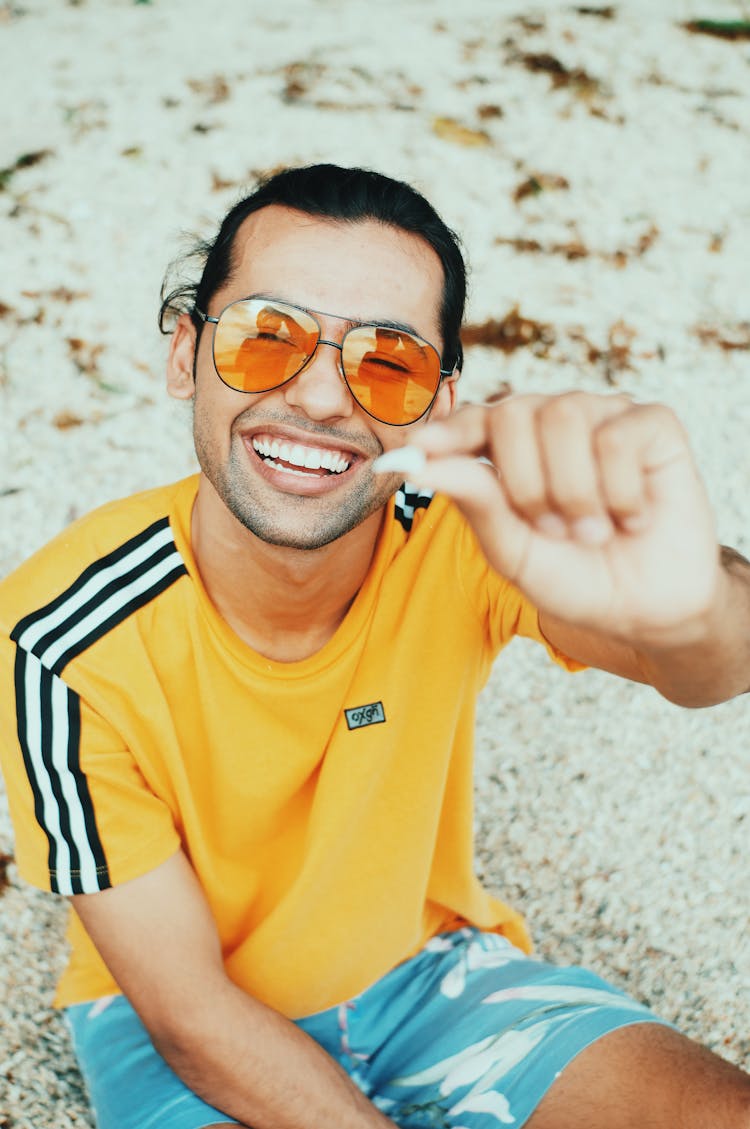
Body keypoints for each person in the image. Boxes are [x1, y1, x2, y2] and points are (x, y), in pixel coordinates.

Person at [0, 163, 748, 1129]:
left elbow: (706, 667)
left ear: (437, 402)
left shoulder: (470, 531)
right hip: (163, 1023)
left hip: (425, 968)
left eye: (386, 360)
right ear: (185, 353)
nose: (319, 398)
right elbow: (187, 1011)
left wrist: (690, 602)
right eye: (268, 339)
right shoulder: (59, 634)